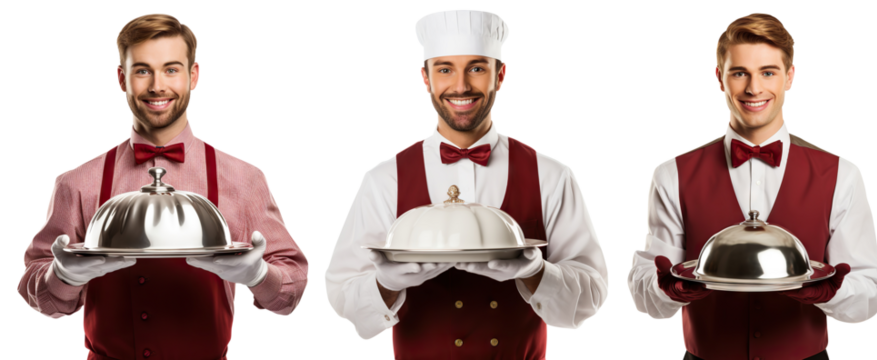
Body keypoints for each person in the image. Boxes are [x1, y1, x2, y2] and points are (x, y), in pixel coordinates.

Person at [15, 13, 311, 360]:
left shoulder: (244, 178)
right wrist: (61, 275)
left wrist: (260, 274)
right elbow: (36, 294)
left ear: (194, 76)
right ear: (121, 79)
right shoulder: (77, 183)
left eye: (171, 69)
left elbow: (292, 291)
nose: (157, 85)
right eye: (142, 70)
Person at [323, 8, 610, 359]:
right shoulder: (382, 180)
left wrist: (535, 273)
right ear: (424, 77)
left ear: (500, 75)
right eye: (445, 69)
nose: (460, 86)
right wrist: (386, 284)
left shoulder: (552, 175)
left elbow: (591, 297)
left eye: (476, 68)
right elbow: (342, 298)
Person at [626, 12, 877, 360]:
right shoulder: (670, 174)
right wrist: (670, 289)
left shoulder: (842, 174)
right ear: (719, 78)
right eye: (740, 73)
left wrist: (829, 294)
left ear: (790, 77)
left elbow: (872, 292)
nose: (754, 88)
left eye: (768, 72)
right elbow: (645, 294)